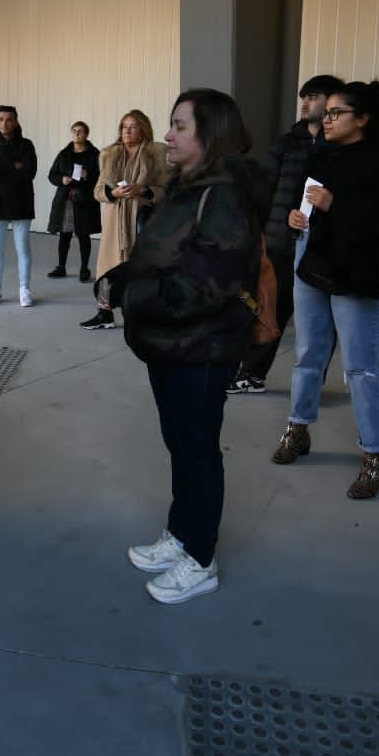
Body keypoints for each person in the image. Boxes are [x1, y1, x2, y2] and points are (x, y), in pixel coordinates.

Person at [111, 89, 263, 603]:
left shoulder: (223, 196)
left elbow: (202, 286)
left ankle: (200, 558)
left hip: (202, 349)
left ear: (209, 136)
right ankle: (180, 533)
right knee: (181, 444)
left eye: (179, 126)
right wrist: (122, 277)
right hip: (171, 344)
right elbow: (165, 256)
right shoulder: (185, 185)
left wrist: (134, 293)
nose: (168, 135)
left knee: (197, 450)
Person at [278, 81, 379, 499]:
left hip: (357, 269)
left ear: (363, 118)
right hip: (311, 258)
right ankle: (297, 429)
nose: (325, 118)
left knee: (361, 366)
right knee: (307, 354)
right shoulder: (322, 154)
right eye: (326, 112)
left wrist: (337, 206)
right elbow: (301, 203)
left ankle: (374, 455)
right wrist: (294, 219)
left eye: (336, 112)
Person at [229, 74, 342, 394]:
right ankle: (251, 374)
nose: (306, 103)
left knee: (319, 321)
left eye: (314, 96)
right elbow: (265, 186)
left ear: (332, 101)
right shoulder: (287, 141)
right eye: (303, 97)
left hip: (320, 246)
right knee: (269, 310)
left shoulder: (337, 146)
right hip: (280, 242)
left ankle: (312, 383)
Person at [79, 110, 169, 330]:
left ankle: (140, 314)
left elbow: (166, 189)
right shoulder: (110, 154)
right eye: (123, 126)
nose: (126, 131)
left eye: (132, 127)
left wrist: (143, 189)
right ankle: (104, 313)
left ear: (143, 129)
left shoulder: (156, 154)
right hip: (114, 221)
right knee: (107, 267)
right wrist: (113, 194)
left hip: (141, 219)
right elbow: (98, 191)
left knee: (140, 268)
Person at [0, 105, 38, 306]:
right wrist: (13, 165)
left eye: (9, 119)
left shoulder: (26, 145)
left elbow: (29, 172)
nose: (4, 123)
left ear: (16, 121)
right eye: (1, 119)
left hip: (21, 203)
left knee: (23, 249)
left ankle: (24, 289)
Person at [46, 121, 101, 282]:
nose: (77, 134)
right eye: (74, 131)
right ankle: (61, 267)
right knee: (64, 235)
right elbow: (52, 174)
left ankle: (84, 269)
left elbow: (102, 178)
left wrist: (88, 176)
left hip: (84, 201)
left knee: (84, 236)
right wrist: (61, 179)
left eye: (81, 131)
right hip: (66, 201)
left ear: (86, 134)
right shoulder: (64, 154)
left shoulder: (94, 155)